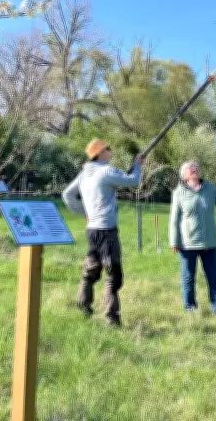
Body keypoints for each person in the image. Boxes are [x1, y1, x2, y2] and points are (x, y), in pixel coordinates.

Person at [62, 139, 144, 327]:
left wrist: (86, 213)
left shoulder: (85, 174)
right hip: (107, 230)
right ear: (99, 153)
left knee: (90, 271)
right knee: (113, 274)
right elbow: (133, 181)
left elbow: (67, 195)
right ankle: (111, 318)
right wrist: (138, 166)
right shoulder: (106, 171)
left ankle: (83, 307)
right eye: (108, 148)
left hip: (92, 230)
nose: (111, 150)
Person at [169, 161, 216, 315]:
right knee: (188, 278)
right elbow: (174, 219)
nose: (194, 169)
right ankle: (190, 308)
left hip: (208, 242)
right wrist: (174, 241)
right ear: (184, 175)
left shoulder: (210, 188)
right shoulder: (178, 192)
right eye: (190, 168)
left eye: (196, 167)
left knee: (213, 277)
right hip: (187, 243)